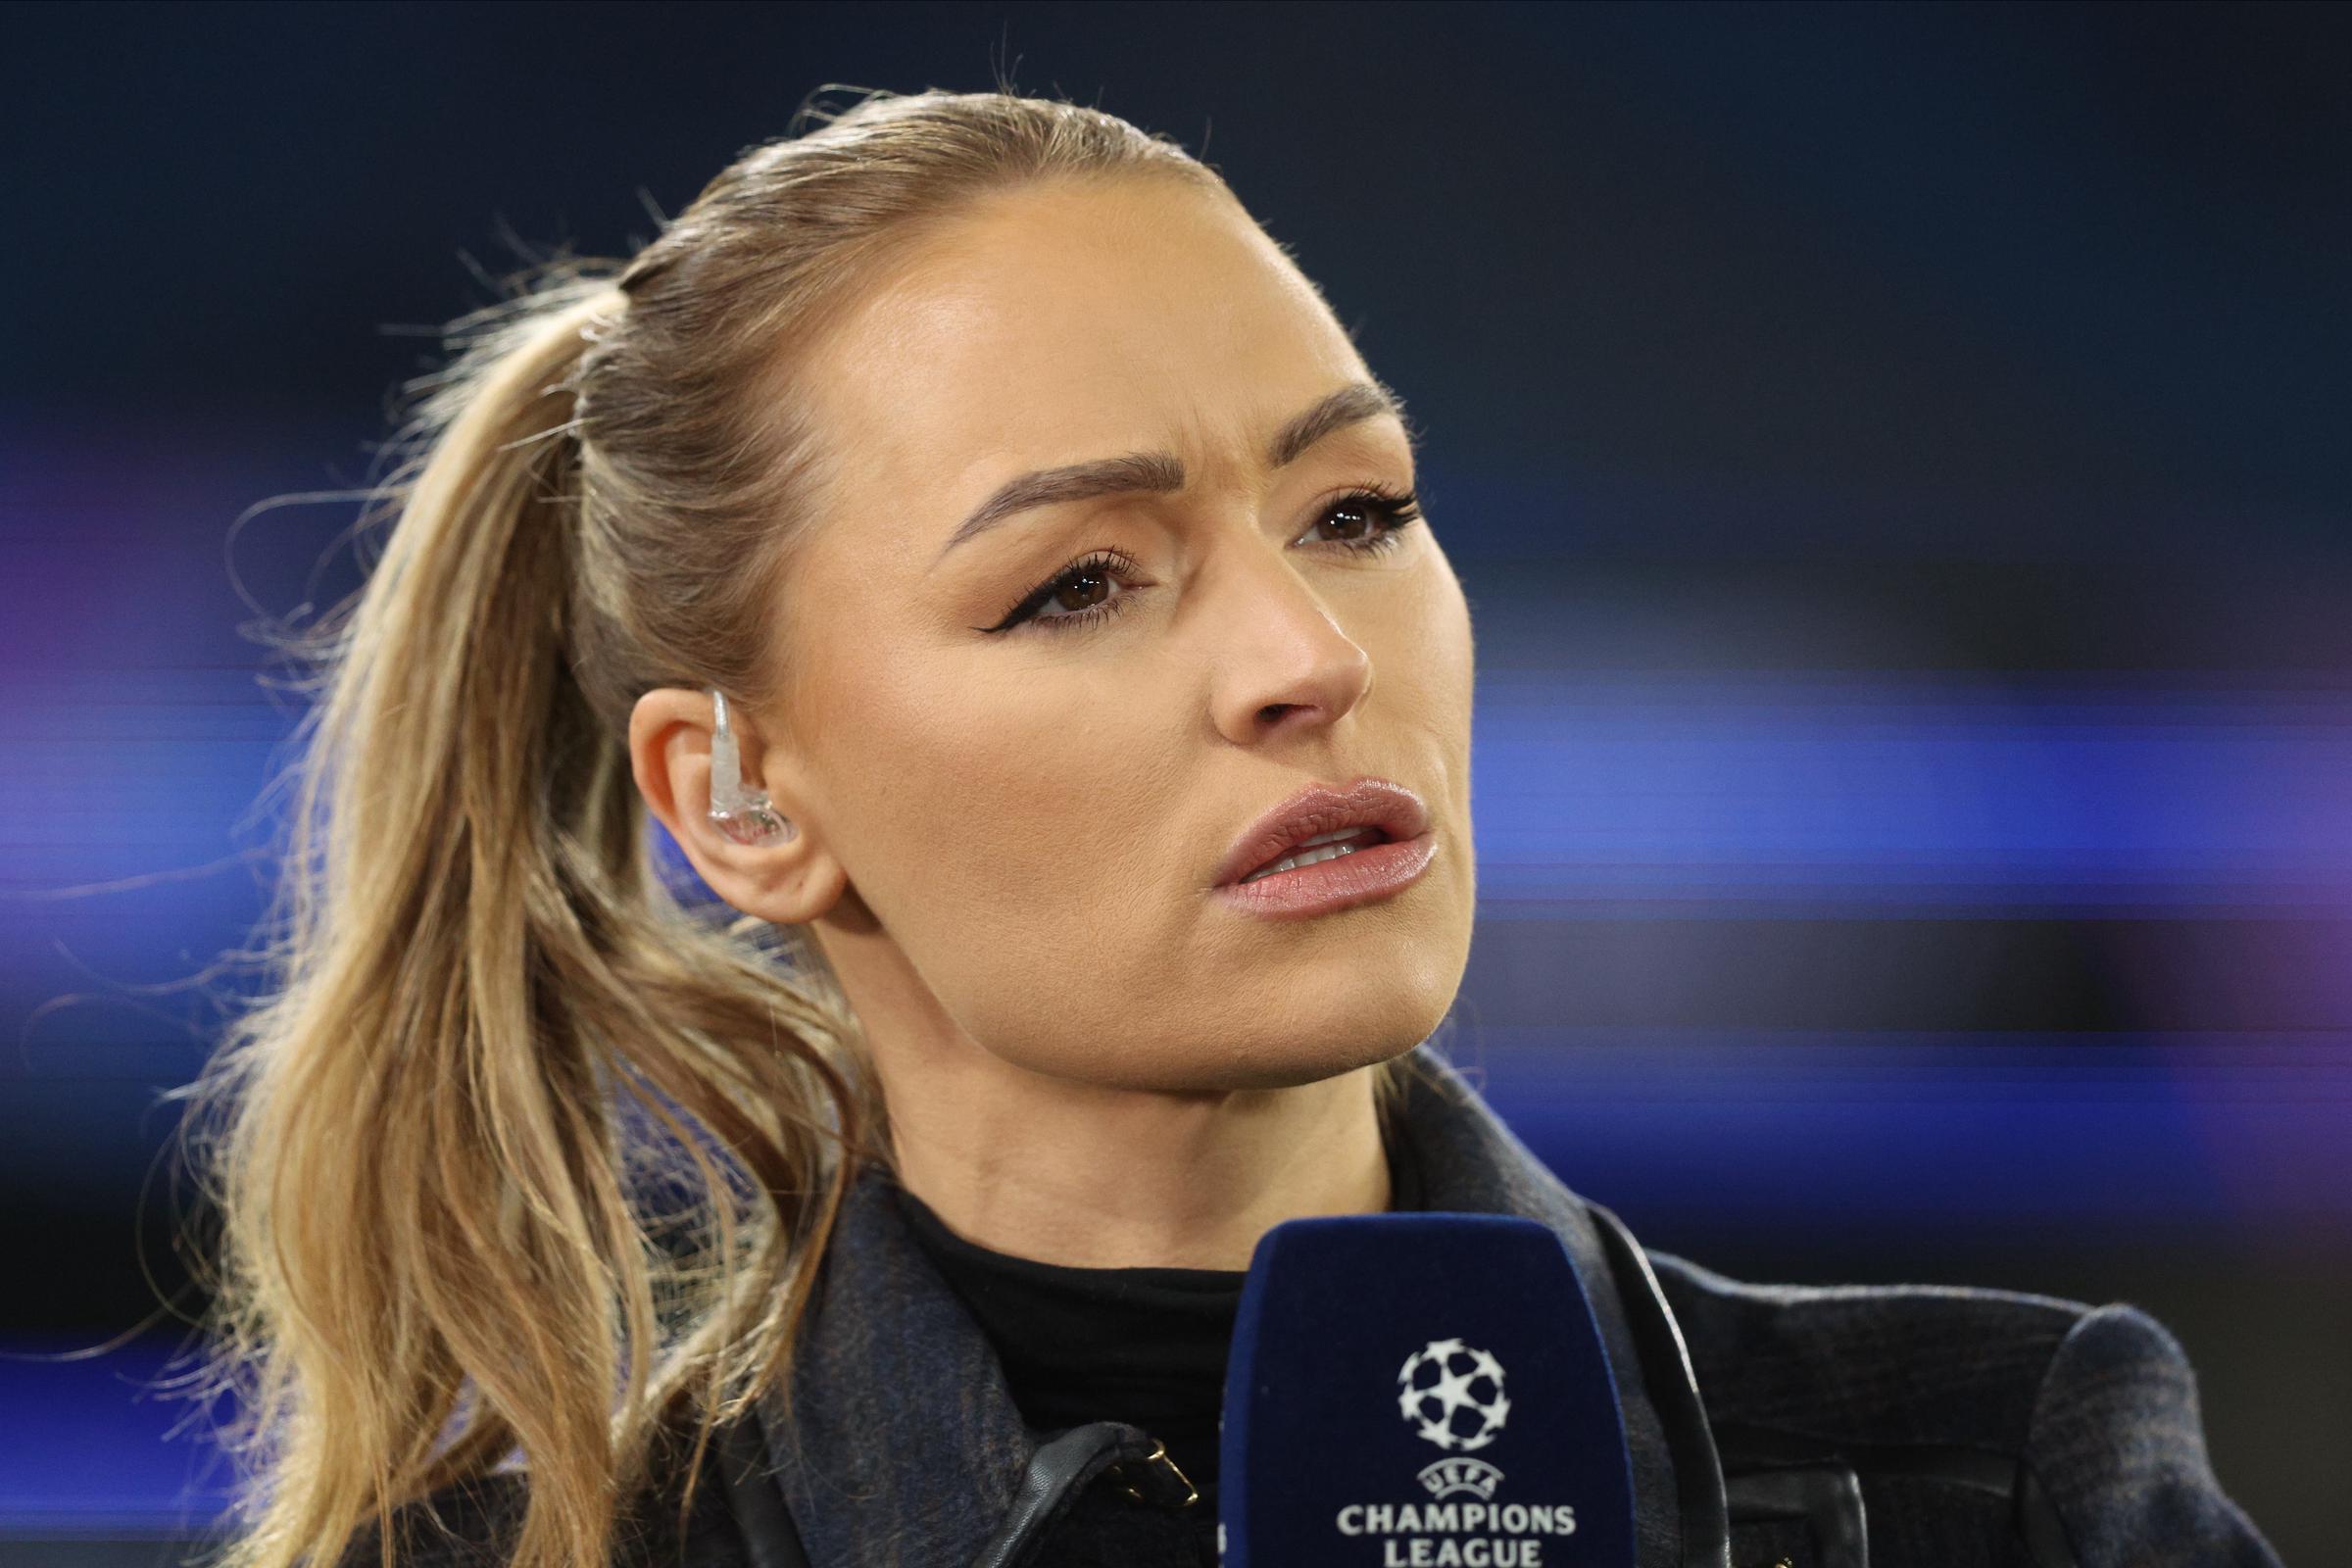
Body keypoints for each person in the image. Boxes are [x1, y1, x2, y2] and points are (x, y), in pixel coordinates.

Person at [180, 86, 2282, 1568]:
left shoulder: (2005, 1473)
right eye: (1078, 580)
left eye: (1355, 511)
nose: (1304, 651)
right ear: (736, 798)